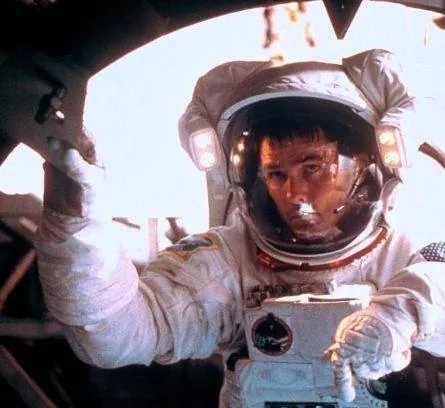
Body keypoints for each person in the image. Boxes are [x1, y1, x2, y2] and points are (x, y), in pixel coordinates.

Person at [34, 48, 445, 407]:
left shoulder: (404, 255)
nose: (295, 194)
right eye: (276, 174)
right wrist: (75, 219)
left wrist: (402, 315)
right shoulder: (229, 261)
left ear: (365, 165)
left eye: (313, 167)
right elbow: (112, 335)